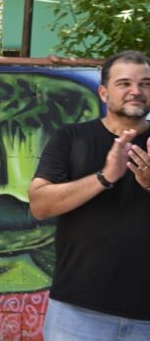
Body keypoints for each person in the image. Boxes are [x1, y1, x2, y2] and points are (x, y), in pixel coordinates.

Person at [29, 50, 150, 340]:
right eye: (124, 84)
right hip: (78, 312)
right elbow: (40, 205)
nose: (136, 91)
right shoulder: (71, 138)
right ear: (104, 93)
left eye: (145, 83)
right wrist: (104, 177)